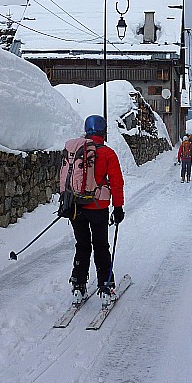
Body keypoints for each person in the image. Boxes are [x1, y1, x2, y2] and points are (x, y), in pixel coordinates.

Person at [69, 115, 125, 303]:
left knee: (82, 245)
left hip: (76, 207)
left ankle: (78, 285)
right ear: (103, 131)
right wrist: (118, 208)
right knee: (101, 246)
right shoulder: (108, 153)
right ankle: (105, 286)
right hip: (98, 207)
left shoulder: (75, 151)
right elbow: (116, 184)